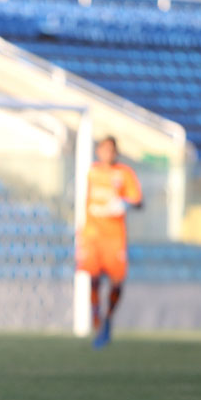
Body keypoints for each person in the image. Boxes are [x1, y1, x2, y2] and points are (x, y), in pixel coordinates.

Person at [76, 136, 143, 348]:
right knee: (94, 278)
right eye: (103, 149)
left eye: (110, 150)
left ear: (115, 152)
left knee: (116, 282)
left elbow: (138, 201)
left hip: (115, 238)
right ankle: (97, 321)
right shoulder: (91, 172)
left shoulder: (124, 174)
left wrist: (125, 204)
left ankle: (108, 316)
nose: (107, 154)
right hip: (93, 235)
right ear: (98, 151)